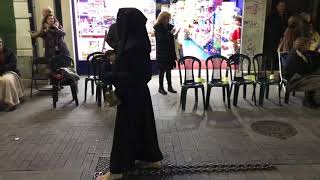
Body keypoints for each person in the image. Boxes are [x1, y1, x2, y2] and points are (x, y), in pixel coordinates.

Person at [99, 8, 163, 180]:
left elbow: (139, 74)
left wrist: (111, 75)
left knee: (124, 130)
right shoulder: (136, 42)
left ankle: (117, 170)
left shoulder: (133, 45)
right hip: (138, 93)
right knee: (144, 126)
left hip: (130, 94)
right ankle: (152, 158)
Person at [284, 37, 320, 109]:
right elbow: (304, 71)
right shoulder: (294, 56)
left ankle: (310, 100)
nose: (309, 46)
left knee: (316, 77)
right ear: (302, 45)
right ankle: (309, 100)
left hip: (301, 77)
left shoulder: (302, 53)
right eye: (308, 44)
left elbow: (314, 56)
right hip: (294, 81)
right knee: (317, 80)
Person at [154, 11, 177, 95]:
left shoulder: (168, 26)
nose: (169, 20)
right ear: (163, 18)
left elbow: (170, 37)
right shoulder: (157, 27)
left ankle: (169, 86)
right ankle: (161, 87)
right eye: (167, 18)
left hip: (169, 51)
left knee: (169, 70)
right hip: (162, 52)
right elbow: (161, 39)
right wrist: (170, 34)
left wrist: (174, 33)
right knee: (162, 70)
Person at [0, 37, 24, 111]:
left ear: (2, 43)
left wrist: (2, 68)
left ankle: (10, 102)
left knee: (6, 80)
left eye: (0, 42)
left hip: (10, 72)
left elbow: (12, 65)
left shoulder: (9, 52)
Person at [264, 0, 290, 68]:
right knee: (271, 60)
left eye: (284, 6)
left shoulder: (284, 16)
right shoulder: (272, 16)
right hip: (272, 41)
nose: (283, 8)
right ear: (277, 6)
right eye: (281, 6)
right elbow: (271, 31)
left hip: (279, 41)